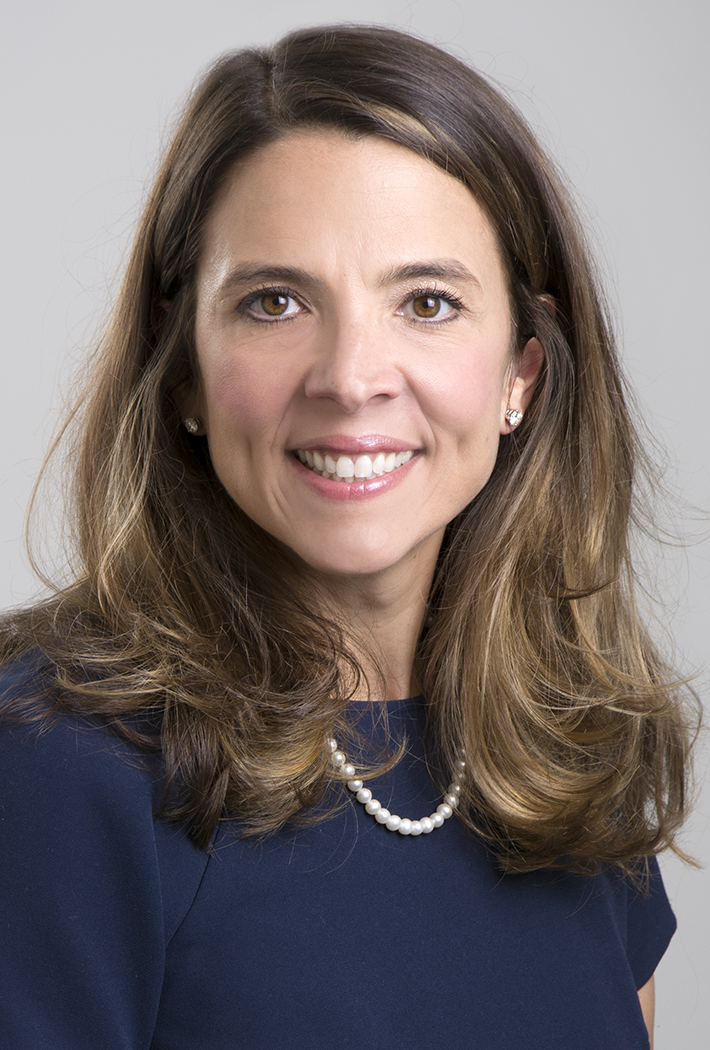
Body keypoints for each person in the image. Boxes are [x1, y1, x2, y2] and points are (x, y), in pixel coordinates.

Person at [0, 24, 696, 1050]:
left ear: (521, 373)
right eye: (275, 302)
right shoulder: (56, 764)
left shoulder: (571, 745)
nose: (350, 377)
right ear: (183, 368)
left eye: (427, 302)